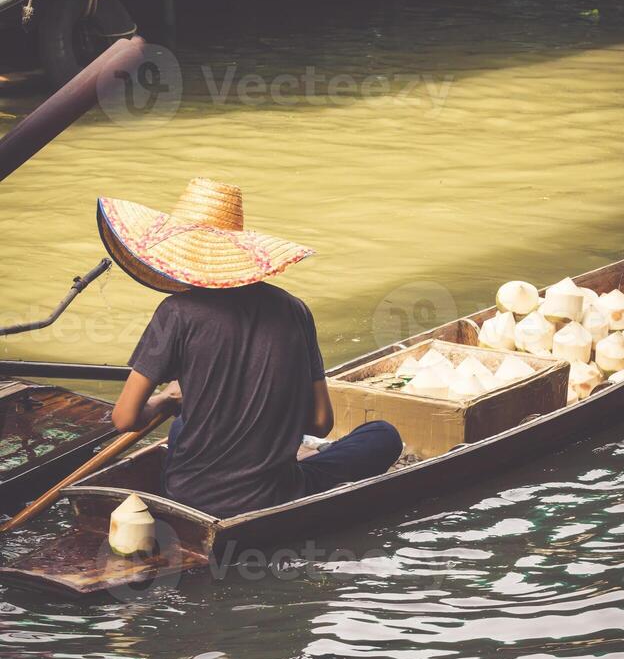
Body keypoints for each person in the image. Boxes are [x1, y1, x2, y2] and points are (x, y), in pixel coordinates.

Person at [98, 178, 402, 517]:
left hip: (188, 497)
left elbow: (124, 418)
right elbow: (319, 423)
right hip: (273, 496)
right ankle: (293, 458)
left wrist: (168, 399)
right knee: (383, 436)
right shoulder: (294, 310)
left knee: (185, 421)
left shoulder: (174, 313)